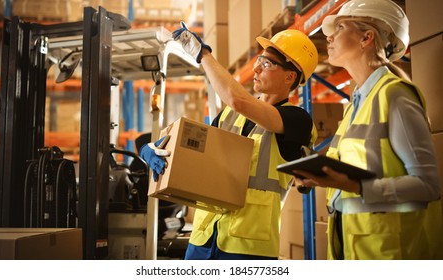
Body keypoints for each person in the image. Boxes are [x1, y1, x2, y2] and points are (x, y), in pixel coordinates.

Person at [140, 24, 319, 259]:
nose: (256, 68)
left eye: (266, 64)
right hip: (203, 239)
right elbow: (193, 150)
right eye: (259, 60)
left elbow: (238, 100)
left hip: (247, 248)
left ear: (290, 76)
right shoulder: (228, 115)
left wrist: (202, 54)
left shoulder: (298, 120)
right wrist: (151, 148)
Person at [292, 0, 443, 260]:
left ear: (366, 38)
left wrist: (354, 184)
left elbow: (428, 186)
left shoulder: (394, 95)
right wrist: (320, 177)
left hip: (391, 255)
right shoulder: (355, 105)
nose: (329, 36)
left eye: (339, 27)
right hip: (354, 247)